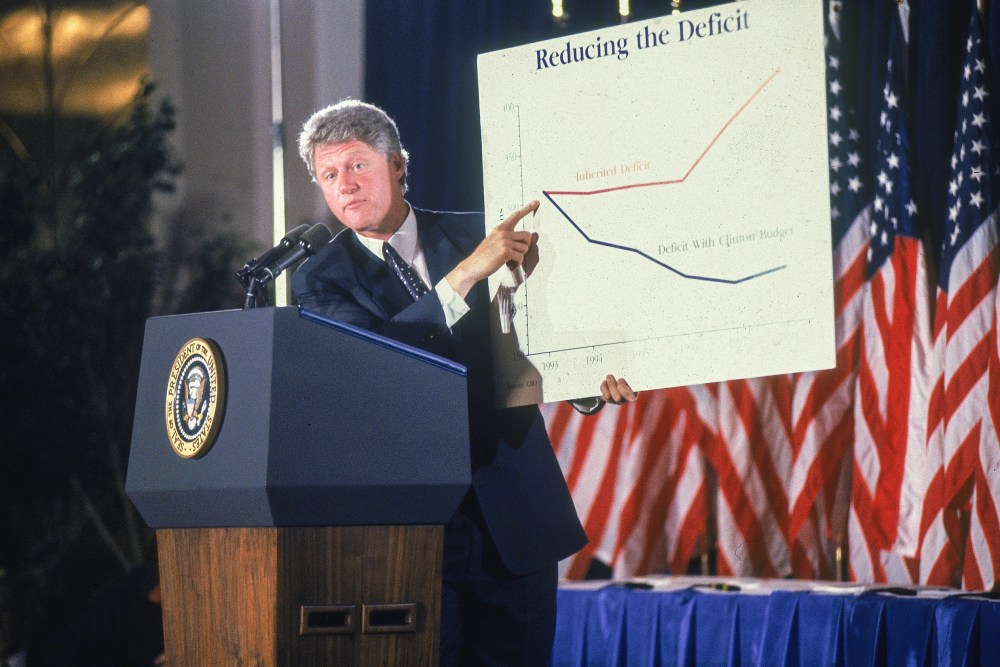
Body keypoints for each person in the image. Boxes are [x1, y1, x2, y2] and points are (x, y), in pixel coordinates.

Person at [292, 99, 637, 665]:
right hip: (414, 530)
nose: (345, 186)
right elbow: (380, 365)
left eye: (357, 166)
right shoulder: (321, 279)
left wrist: (586, 382)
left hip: (515, 517)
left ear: (398, 164)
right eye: (329, 176)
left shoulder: (481, 233)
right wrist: (467, 275)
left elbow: (536, 343)